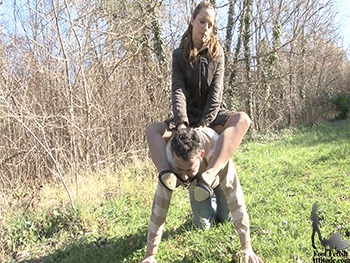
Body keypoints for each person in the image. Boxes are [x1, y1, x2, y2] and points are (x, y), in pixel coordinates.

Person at [145, 1, 252, 192]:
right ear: (192, 20)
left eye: (210, 25)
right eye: (202, 21)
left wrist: (204, 124)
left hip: (212, 115)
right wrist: (182, 124)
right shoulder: (178, 55)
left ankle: (210, 174)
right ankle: (166, 175)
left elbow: (216, 92)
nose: (206, 28)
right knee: (152, 130)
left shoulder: (217, 54)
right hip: (186, 117)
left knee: (243, 120)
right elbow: (177, 90)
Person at [141, 127, 263, 263]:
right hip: (197, 187)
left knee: (226, 219)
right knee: (202, 225)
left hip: (218, 179)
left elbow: (236, 198)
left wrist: (247, 247)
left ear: (201, 154)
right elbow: (159, 208)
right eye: (179, 169)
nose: (184, 176)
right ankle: (207, 198)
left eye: (189, 169)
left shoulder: (217, 150)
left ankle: (215, 197)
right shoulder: (168, 160)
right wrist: (150, 254)